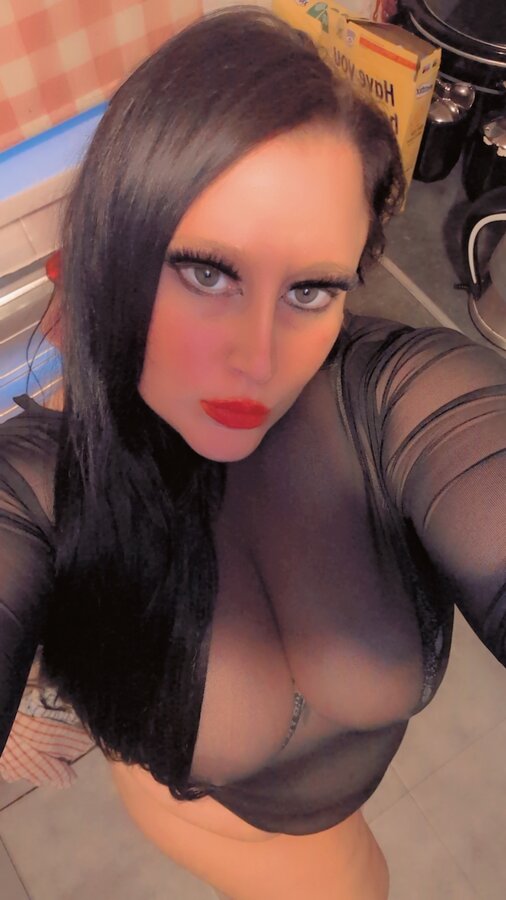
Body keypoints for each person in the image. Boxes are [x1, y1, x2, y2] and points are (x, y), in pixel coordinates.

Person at [0, 6, 504, 899]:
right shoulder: (42, 483)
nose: (258, 361)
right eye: (206, 271)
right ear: (114, 250)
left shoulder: (395, 397)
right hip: (208, 821)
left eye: (310, 290)